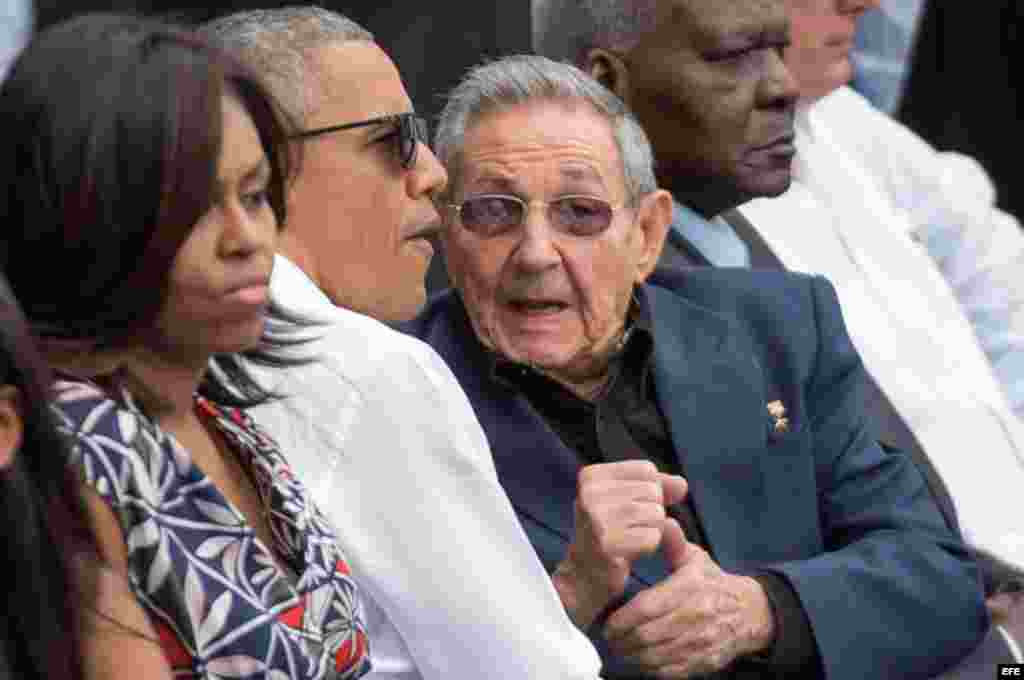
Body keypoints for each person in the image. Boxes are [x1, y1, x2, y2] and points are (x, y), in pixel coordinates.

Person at [401, 54, 985, 679]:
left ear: (647, 234)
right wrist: (572, 595)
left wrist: (760, 610)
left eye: (581, 213)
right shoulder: (396, 401)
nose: (537, 252)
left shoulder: (778, 326)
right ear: (448, 232)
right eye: (494, 211)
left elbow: (941, 580)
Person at [199, 7, 602, 679]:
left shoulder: (144, 347)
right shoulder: (360, 369)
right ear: (262, 162)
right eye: (392, 139)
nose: (433, 172)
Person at [0, 13, 377, 678]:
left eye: (256, 195)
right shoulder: (78, 445)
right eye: (197, 206)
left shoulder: (223, 418)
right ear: (89, 214)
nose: (247, 238)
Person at [738, 0, 1024, 572]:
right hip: (934, 602)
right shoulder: (690, 198)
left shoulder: (839, 119)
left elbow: (991, 265)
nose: (860, 4)